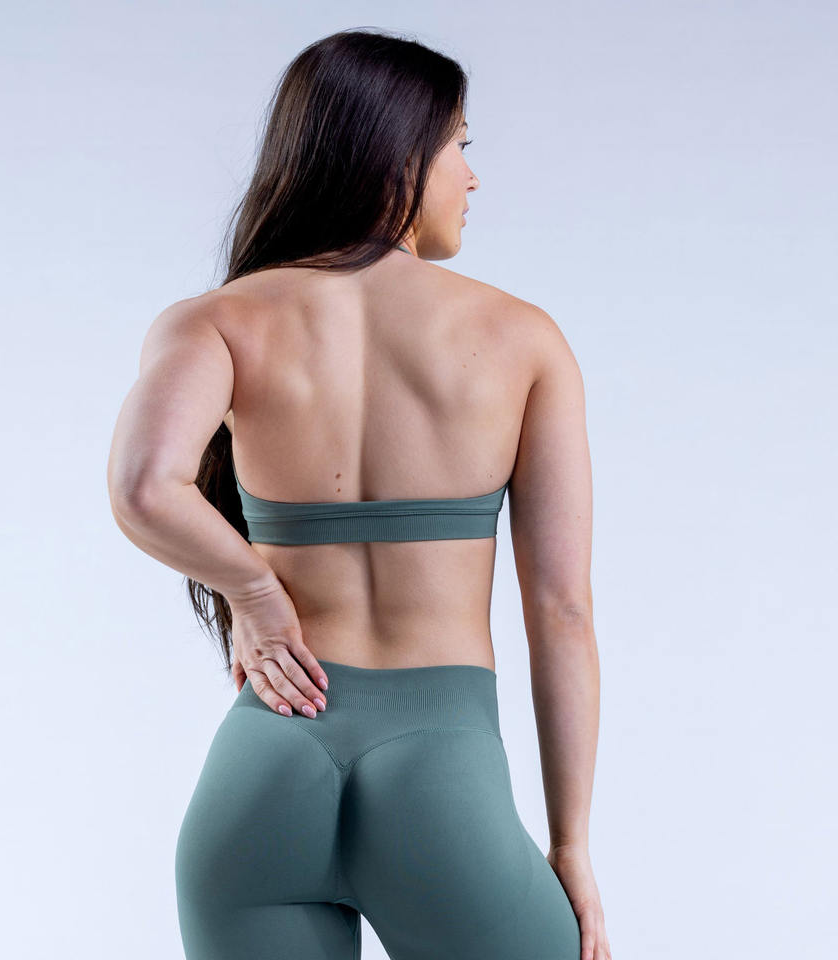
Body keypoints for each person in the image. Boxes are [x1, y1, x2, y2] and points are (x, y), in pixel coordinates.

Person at [107, 27, 611, 960]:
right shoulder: (523, 339)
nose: (472, 177)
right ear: (399, 156)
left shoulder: (217, 321)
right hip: (442, 784)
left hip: (261, 774)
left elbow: (145, 487)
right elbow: (563, 610)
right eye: (460, 145)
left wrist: (254, 593)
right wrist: (572, 845)